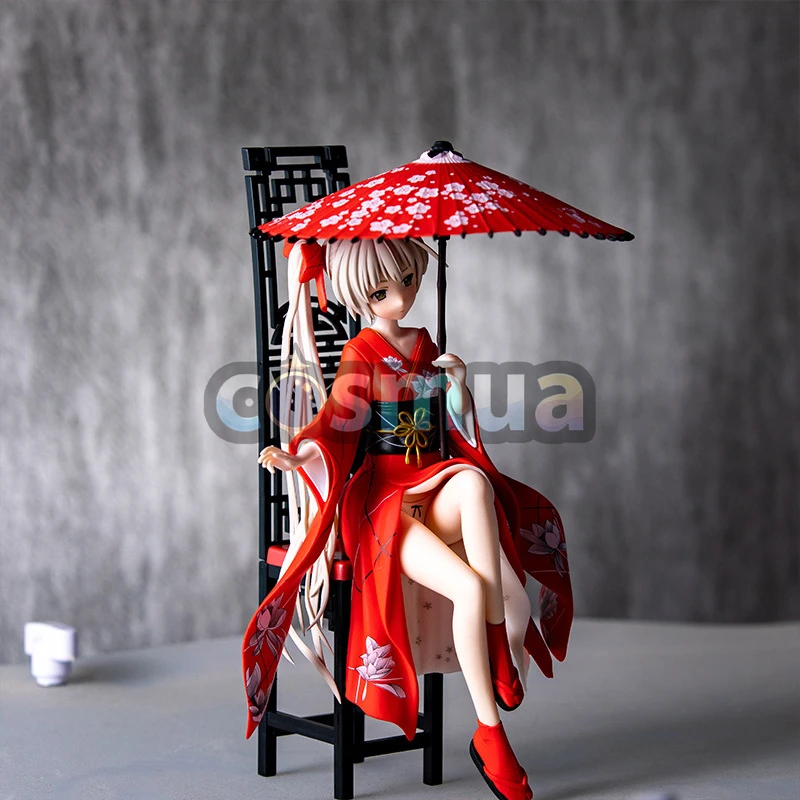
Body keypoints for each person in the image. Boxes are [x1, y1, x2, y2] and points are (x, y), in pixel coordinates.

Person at [242, 238, 573, 800]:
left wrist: (457, 386)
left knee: (474, 482)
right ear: (359, 296)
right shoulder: (360, 351)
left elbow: (453, 426)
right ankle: (490, 732)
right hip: (385, 505)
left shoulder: (424, 343)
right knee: (469, 586)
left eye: (408, 280)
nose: (399, 296)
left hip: (431, 482)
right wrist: (301, 456)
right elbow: (338, 421)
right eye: (381, 291)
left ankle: (498, 639)